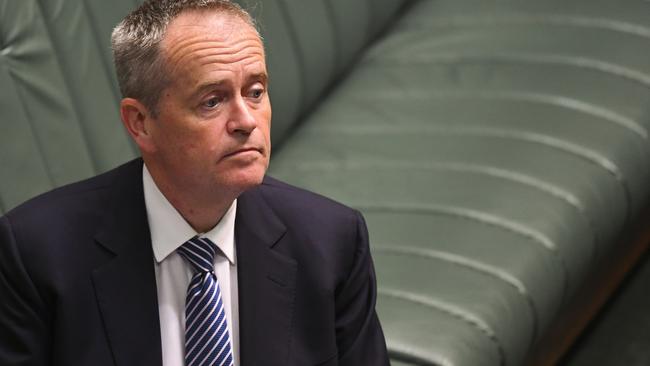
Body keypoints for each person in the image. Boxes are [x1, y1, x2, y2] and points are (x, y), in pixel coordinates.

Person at [0, 1, 389, 365]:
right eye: (212, 101)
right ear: (141, 123)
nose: (246, 121)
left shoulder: (332, 242)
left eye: (255, 92)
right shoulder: (36, 255)